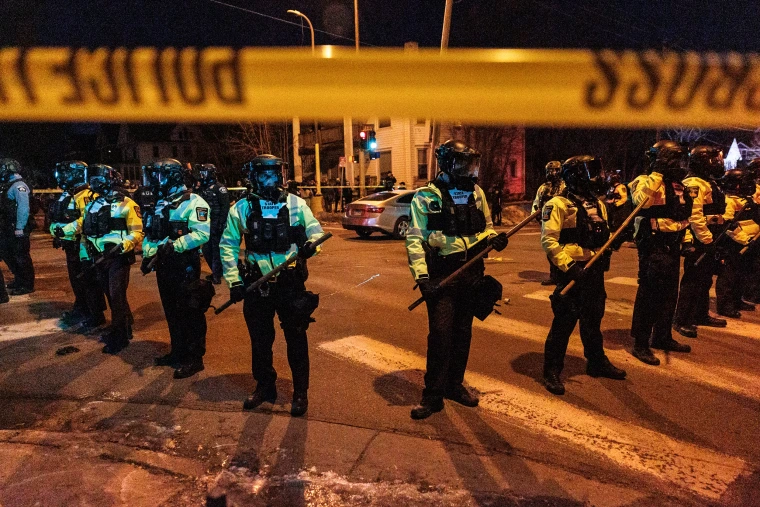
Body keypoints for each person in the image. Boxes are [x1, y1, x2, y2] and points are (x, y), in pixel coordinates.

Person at [405, 140, 509, 419]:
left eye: (470, 163)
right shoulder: (426, 197)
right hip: (443, 273)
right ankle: (432, 395)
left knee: (463, 333)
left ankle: (454, 385)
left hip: (472, 272)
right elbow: (415, 240)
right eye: (463, 163)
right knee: (441, 335)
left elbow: (486, 227)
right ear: (448, 163)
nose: (469, 169)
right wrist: (422, 278)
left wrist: (494, 239)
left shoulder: (476, 192)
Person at [220, 154, 324, 417]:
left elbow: (316, 232)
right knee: (260, 340)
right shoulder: (241, 208)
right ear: (253, 177)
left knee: (296, 338)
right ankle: (265, 386)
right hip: (257, 283)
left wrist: (311, 246)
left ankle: (300, 392)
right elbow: (228, 245)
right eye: (264, 174)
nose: (270, 179)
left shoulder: (297, 204)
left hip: (289, 282)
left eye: (274, 174)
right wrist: (234, 281)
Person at [541, 155, 626, 395]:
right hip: (572, 271)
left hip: (593, 269)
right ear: (576, 175)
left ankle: (596, 361)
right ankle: (551, 370)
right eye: (591, 171)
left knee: (593, 318)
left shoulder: (597, 204)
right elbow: (549, 241)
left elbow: (601, 237)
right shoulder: (558, 204)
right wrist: (569, 267)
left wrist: (613, 241)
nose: (597, 176)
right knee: (564, 321)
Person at [141, 159, 212, 378]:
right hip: (164, 266)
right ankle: (178, 351)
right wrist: (148, 253)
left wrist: (176, 246)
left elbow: (202, 234)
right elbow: (151, 233)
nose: (156, 181)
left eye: (160, 176)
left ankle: (195, 358)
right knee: (171, 311)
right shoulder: (160, 202)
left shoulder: (194, 202)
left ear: (172, 176)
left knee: (190, 312)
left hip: (184, 266)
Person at [628, 141, 693, 366]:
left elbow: (683, 216)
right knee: (649, 295)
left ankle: (662, 336)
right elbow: (642, 203)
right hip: (653, 245)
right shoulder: (644, 180)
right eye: (675, 159)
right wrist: (657, 172)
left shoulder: (678, 185)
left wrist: (687, 240)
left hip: (673, 246)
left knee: (669, 294)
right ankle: (641, 343)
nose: (680, 164)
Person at [80, 165, 144, 354]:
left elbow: (137, 232)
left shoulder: (127, 203)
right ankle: (125, 326)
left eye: (98, 179)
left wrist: (121, 246)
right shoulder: (92, 205)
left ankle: (120, 337)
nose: (94, 183)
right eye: (92, 179)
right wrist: (86, 256)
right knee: (111, 295)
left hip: (118, 257)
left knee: (117, 297)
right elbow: (86, 233)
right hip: (98, 257)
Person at [673, 146, 728, 339]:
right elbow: (694, 216)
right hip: (700, 239)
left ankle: (700, 314)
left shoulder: (707, 182)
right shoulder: (694, 183)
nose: (717, 164)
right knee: (693, 280)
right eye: (713, 160)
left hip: (710, 237)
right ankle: (682, 320)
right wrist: (707, 240)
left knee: (705, 279)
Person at [49, 161, 106, 329]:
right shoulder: (69, 194)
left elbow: (86, 220)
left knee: (89, 282)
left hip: (84, 246)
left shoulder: (87, 195)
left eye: (65, 173)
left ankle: (95, 314)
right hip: (70, 245)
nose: (62, 177)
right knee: (77, 281)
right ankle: (82, 307)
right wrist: (56, 230)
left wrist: (65, 230)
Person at [714, 168, 759, 318]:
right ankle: (725, 305)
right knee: (729, 275)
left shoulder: (747, 199)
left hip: (750, 244)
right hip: (734, 245)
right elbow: (728, 225)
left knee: (742, 274)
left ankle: (737, 300)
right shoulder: (729, 201)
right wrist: (744, 239)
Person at [0, 158, 35, 296]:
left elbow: (23, 208)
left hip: (18, 227)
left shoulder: (19, 185)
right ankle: (19, 279)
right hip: (9, 226)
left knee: (21, 256)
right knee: (9, 254)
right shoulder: (8, 185)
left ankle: (27, 284)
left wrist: (20, 227)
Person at [191, 163, 230, 285]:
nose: (202, 175)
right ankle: (216, 272)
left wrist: (221, 223)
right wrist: (196, 187)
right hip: (205, 224)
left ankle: (217, 275)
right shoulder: (202, 188)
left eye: (204, 173)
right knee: (207, 250)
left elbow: (225, 207)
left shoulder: (219, 188)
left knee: (216, 250)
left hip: (216, 223)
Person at [533, 161, 566, 286]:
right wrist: (536, 215)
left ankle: (564, 275)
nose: (552, 173)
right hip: (547, 222)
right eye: (549, 170)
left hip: (562, 222)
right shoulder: (543, 188)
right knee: (550, 250)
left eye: (555, 170)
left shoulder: (565, 186)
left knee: (563, 249)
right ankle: (554, 275)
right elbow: (537, 203)